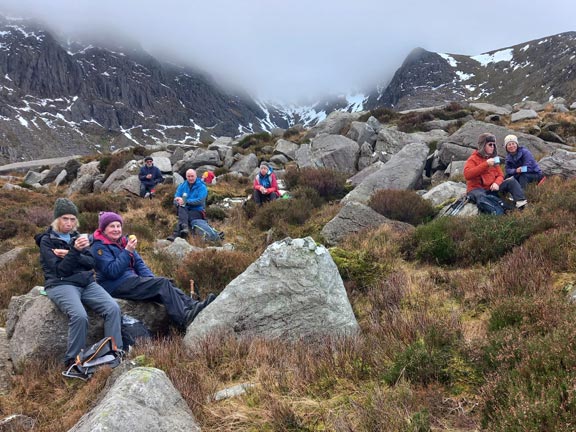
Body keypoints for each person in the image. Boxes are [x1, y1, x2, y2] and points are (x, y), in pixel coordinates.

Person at [34, 198, 123, 374]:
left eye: (72, 219)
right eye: (65, 218)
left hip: (86, 283)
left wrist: (69, 253)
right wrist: (75, 252)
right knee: (80, 316)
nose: (69, 223)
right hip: (60, 284)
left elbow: (91, 262)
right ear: (57, 219)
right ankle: (74, 363)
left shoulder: (78, 237)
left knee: (113, 308)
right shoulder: (47, 240)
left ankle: (114, 352)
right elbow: (60, 270)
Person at [91, 211, 215, 329]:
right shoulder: (99, 247)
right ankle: (184, 318)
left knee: (166, 284)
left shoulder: (123, 241)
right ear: (104, 229)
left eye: (118, 226)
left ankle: (193, 306)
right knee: (162, 283)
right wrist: (127, 251)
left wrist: (151, 280)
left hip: (131, 280)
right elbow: (112, 271)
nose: (116, 229)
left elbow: (139, 264)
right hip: (115, 285)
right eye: (112, 226)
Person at [464, 132, 527, 210]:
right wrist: (486, 164)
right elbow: (467, 175)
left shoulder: (494, 159)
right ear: (483, 145)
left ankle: (521, 205)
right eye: (490, 144)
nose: (492, 147)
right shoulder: (473, 159)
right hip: (476, 189)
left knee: (511, 181)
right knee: (482, 197)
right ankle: (504, 209)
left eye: (494, 145)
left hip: (492, 188)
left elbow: (500, 175)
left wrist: (496, 183)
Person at [167, 169, 223, 242]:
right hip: (184, 209)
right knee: (181, 206)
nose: (190, 178)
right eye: (188, 176)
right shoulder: (182, 186)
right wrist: (178, 201)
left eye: (192, 176)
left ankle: (176, 234)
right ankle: (185, 227)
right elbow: (176, 198)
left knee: (184, 215)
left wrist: (185, 201)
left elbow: (200, 201)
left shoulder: (202, 187)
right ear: (186, 177)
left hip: (198, 211)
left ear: (196, 176)